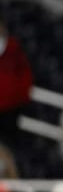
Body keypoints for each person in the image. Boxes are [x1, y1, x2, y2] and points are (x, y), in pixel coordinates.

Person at [0, 19, 33, 149]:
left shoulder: (14, 49)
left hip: (10, 109)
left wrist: (19, 98)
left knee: (8, 146)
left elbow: (25, 77)